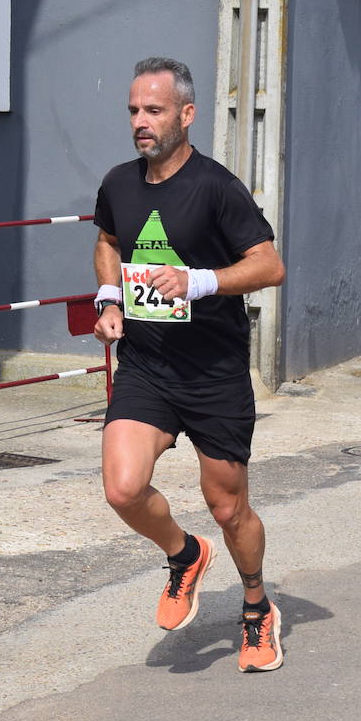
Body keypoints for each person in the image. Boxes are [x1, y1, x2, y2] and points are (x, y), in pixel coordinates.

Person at [92, 57, 286, 672]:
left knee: (228, 508)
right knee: (123, 489)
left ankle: (256, 607)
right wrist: (109, 298)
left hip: (212, 373)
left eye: (153, 110)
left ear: (186, 114)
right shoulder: (118, 184)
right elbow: (108, 242)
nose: (140, 122)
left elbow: (270, 266)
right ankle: (183, 555)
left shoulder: (217, 187)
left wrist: (197, 281)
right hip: (146, 365)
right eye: (133, 111)